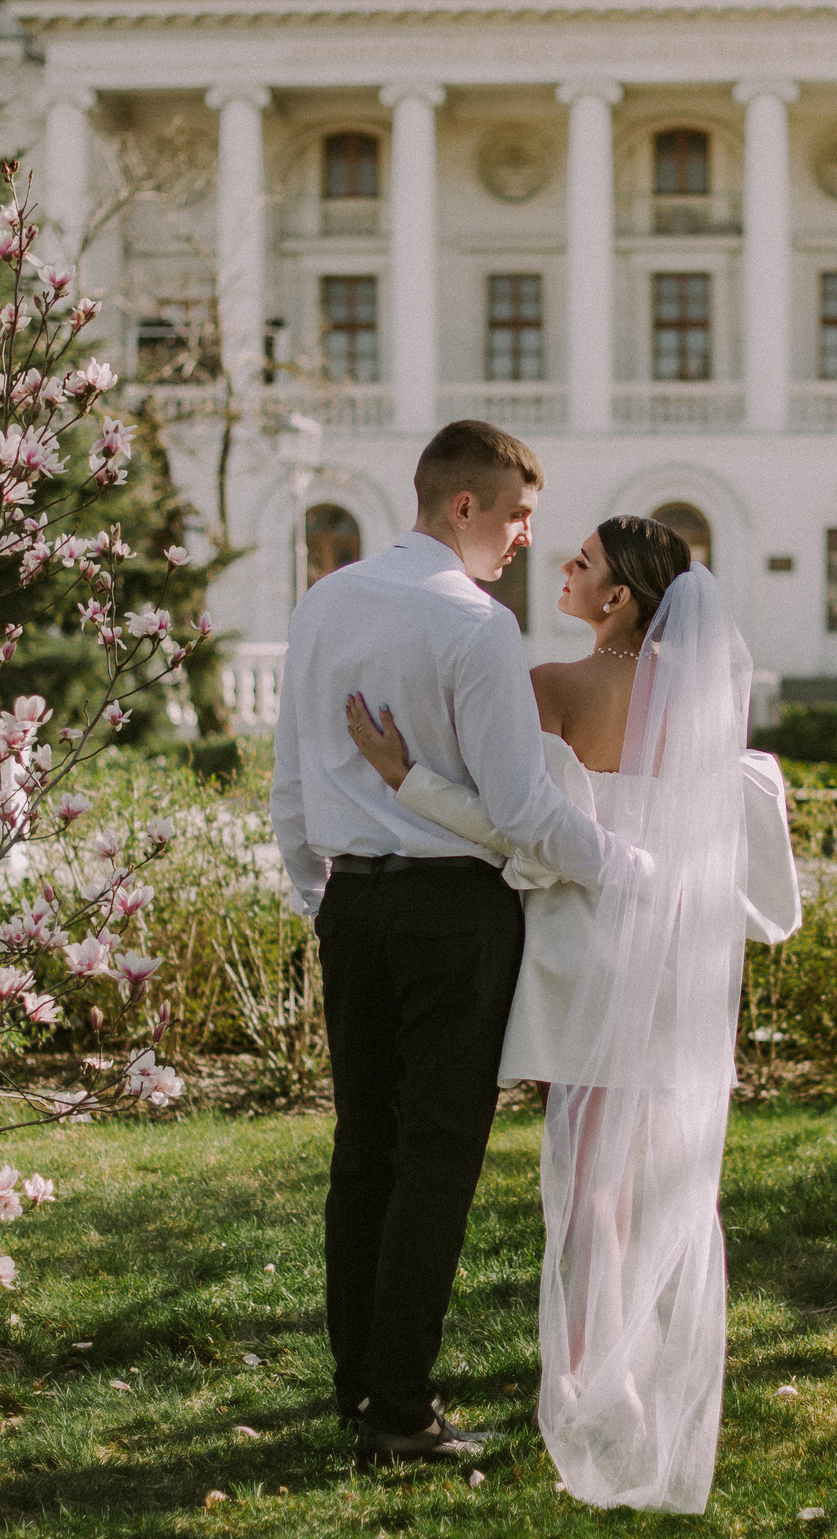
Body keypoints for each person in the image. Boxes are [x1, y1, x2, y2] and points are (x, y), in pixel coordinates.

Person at [342, 514, 801, 1513]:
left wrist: (403, 773)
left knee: (589, 1178)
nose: (565, 568)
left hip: (588, 956)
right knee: (641, 1169)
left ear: (619, 599)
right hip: (676, 949)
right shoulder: (703, 705)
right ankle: (626, 1351)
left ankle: (607, 1376)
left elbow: (519, 821)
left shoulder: (553, 687)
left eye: (583, 562)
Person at [270, 420, 638, 1466]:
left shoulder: (324, 600)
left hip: (354, 906)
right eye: (518, 515)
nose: (528, 536)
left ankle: (360, 1388)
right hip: (452, 916)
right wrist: (630, 869)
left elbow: (291, 780)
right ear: (464, 506)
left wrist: (322, 897)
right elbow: (522, 810)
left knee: (364, 1154)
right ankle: (399, 1410)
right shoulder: (475, 626)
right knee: (435, 1157)